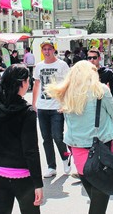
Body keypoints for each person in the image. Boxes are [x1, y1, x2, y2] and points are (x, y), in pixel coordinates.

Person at [46, 60, 113, 214]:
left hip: (79, 155)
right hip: (102, 154)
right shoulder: (100, 90)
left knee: (95, 201)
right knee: (99, 205)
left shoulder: (66, 92)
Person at [0, 64, 43, 214]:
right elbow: (31, 150)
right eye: (28, 81)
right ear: (22, 83)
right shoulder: (27, 112)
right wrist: (38, 183)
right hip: (23, 177)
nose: (29, 84)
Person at [32, 40, 71, 178]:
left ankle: (66, 158)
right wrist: (34, 103)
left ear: (54, 50)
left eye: (49, 49)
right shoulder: (39, 66)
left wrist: (65, 103)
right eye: (44, 49)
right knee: (46, 138)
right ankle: (51, 166)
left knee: (57, 137)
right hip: (43, 106)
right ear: (42, 51)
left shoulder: (62, 65)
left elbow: (68, 85)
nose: (47, 51)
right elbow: (36, 84)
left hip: (57, 107)